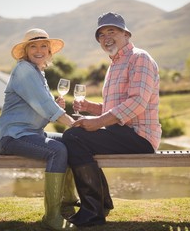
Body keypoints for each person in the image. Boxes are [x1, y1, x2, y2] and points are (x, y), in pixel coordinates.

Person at [62, 12, 162, 227]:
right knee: (74, 135)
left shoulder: (139, 58)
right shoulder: (114, 64)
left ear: (126, 34)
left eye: (111, 31)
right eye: (101, 35)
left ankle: (93, 211)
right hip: (122, 132)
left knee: (73, 137)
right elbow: (114, 109)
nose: (105, 37)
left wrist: (97, 122)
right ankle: (101, 204)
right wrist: (92, 108)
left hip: (139, 136)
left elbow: (137, 103)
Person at [0, 28, 76, 231]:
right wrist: (73, 123)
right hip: (12, 137)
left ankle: (67, 201)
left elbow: (43, 105)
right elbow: (44, 105)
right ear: (25, 50)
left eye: (43, 46)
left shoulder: (38, 72)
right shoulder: (24, 69)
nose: (39, 50)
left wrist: (56, 106)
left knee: (71, 141)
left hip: (32, 134)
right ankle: (51, 216)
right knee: (58, 150)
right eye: (33, 45)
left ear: (49, 52)